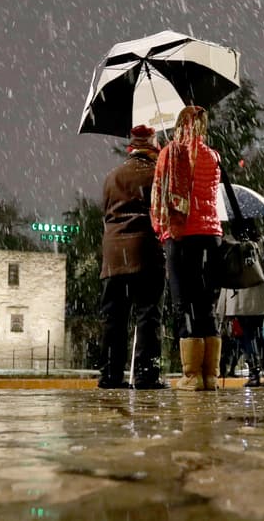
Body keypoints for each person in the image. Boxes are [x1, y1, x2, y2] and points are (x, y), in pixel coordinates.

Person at [151, 105, 223, 391]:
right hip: (212, 235)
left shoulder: (171, 153)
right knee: (206, 306)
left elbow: (160, 195)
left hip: (183, 236)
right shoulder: (213, 155)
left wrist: (160, 229)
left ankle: (191, 376)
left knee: (184, 305)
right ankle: (211, 376)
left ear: (181, 124)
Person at [98, 125, 168, 390]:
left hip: (113, 256)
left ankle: (109, 376)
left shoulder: (111, 177)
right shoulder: (156, 175)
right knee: (148, 317)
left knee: (114, 319)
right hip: (145, 253)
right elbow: (163, 213)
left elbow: (106, 215)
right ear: (153, 147)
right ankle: (146, 375)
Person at [218, 280, 264, 387]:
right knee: (258, 337)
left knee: (248, 337)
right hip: (258, 298)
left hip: (241, 299)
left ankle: (254, 374)